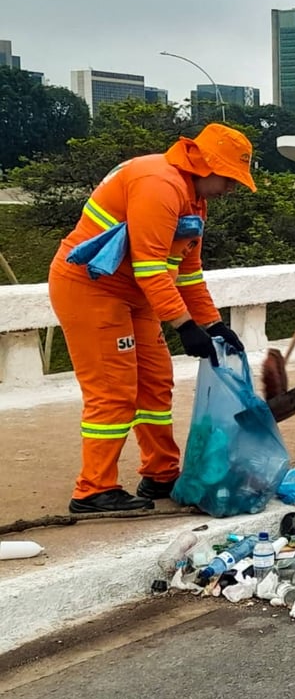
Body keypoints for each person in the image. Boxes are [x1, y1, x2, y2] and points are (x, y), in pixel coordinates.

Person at [49, 123, 256, 514]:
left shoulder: (195, 201)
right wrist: (184, 326)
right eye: (229, 179)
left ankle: (161, 473)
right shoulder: (157, 182)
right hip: (93, 288)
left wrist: (213, 325)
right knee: (113, 391)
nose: (231, 189)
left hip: (137, 295)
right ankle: (94, 489)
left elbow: (188, 273)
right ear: (206, 164)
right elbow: (149, 268)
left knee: (156, 383)